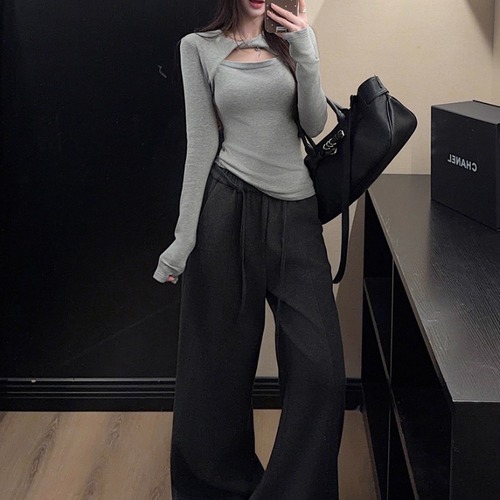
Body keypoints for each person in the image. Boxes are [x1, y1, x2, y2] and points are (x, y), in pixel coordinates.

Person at [153, 0, 346, 498]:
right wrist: (183, 238)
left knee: (321, 369)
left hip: (295, 215)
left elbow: (314, 123)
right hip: (226, 208)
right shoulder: (197, 48)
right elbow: (201, 143)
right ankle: (219, 488)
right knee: (214, 369)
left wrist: (307, 50)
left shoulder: (291, 41)